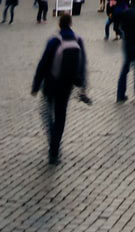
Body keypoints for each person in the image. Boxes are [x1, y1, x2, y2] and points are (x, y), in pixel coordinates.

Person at [31, 14, 89, 164]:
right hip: (67, 85)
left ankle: (52, 140)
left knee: (46, 111)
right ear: (70, 23)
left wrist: (36, 85)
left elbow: (43, 63)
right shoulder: (78, 40)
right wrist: (82, 86)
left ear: (59, 24)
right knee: (61, 115)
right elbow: (82, 64)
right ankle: (55, 149)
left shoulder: (54, 40)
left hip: (51, 83)